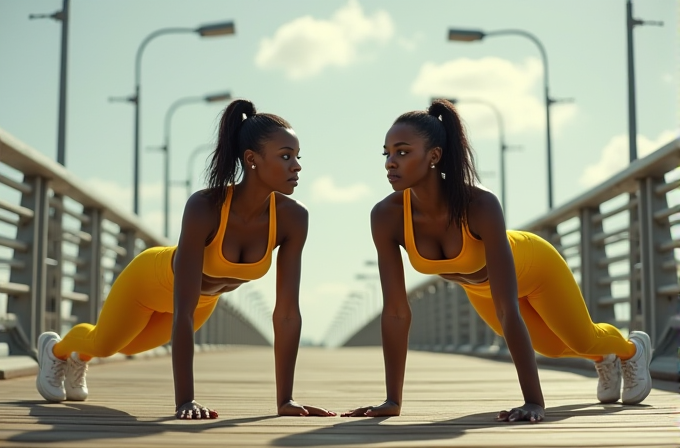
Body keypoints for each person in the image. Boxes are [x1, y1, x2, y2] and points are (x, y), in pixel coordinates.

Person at [341, 99, 652, 422]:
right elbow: (395, 311)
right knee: (551, 347)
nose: (390, 162)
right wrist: (392, 401)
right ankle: (604, 356)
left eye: (402, 152)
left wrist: (533, 402)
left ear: (434, 156)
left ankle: (630, 350)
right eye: (387, 153)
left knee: (579, 337)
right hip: (480, 290)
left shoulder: (479, 204)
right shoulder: (386, 216)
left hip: (535, 266)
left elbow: (508, 309)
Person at [35, 99, 336, 419]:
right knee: (107, 345)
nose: (297, 166)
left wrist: (285, 400)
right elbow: (182, 311)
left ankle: (79, 356)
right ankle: (56, 350)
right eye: (286, 156)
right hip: (151, 281)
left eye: (297, 156)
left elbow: (287, 313)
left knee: (130, 347)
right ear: (252, 160)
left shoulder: (293, 218)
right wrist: (185, 401)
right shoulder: (205, 206)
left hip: (207, 302)